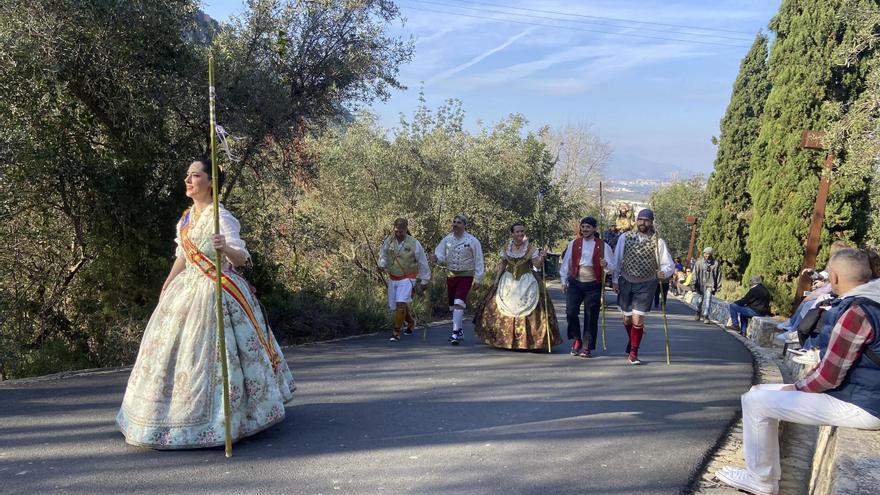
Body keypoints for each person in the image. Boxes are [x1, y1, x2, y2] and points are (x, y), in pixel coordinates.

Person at [117, 159, 296, 449]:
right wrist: (167, 282)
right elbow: (181, 255)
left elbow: (243, 258)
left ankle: (228, 419)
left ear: (211, 182)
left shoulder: (221, 217)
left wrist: (224, 246)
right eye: (186, 175)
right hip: (187, 288)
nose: (188, 180)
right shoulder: (186, 218)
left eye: (195, 175)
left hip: (218, 290)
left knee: (217, 356)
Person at [715, 248, 880, 495]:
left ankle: (760, 480)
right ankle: (765, 474)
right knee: (758, 391)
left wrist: (796, 387)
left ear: (834, 277)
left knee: (756, 401)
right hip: (862, 396)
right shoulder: (871, 302)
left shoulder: (857, 312)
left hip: (862, 405)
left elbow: (829, 376)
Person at [473, 222, 562, 350]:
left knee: (531, 308)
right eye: (517, 231)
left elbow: (537, 265)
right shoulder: (506, 247)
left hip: (527, 281)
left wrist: (542, 258)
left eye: (522, 231)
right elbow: (503, 264)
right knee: (498, 307)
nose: (520, 234)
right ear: (512, 233)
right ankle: (504, 339)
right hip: (508, 281)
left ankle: (528, 341)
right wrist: (497, 278)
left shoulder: (531, 248)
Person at [611, 208, 675, 365]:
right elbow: (617, 260)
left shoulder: (658, 242)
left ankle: (634, 352)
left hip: (646, 284)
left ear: (651, 222)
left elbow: (669, 265)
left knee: (637, 318)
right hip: (626, 281)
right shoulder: (625, 238)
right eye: (640, 220)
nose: (643, 223)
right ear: (636, 221)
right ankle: (632, 339)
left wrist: (664, 273)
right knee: (627, 320)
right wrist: (614, 280)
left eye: (646, 220)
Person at [559, 217, 616, 358]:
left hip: (593, 284)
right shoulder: (573, 243)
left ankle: (587, 347)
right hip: (575, 282)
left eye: (588, 227)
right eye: (583, 227)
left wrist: (606, 265)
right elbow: (566, 263)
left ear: (594, 229)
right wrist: (563, 280)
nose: (585, 229)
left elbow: (613, 268)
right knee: (571, 312)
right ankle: (576, 339)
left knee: (591, 316)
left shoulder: (603, 246)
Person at [432, 213, 485, 345]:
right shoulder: (447, 240)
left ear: (465, 225)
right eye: (454, 222)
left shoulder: (472, 241)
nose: (455, 224)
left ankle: (455, 333)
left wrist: (479, 279)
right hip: (451, 276)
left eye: (459, 222)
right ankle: (460, 330)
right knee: (453, 305)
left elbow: (479, 260)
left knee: (459, 302)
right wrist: (436, 258)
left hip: (466, 276)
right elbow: (441, 254)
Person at [377, 218, 431, 342]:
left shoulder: (414, 243)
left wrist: (424, 280)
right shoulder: (389, 241)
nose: (398, 233)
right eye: (396, 231)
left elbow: (422, 262)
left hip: (408, 277)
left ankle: (396, 332)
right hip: (393, 277)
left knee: (401, 302)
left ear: (406, 229)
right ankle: (411, 322)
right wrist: (381, 265)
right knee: (397, 305)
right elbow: (383, 255)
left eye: (401, 231)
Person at [693, 247, 721, 323]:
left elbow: (718, 275)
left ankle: (706, 316)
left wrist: (718, 286)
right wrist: (694, 284)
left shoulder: (715, 263)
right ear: (703, 253)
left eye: (709, 254)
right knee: (699, 301)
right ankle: (698, 312)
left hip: (710, 285)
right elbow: (694, 274)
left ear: (711, 254)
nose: (707, 255)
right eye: (705, 253)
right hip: (700, 284)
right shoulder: (699, 263)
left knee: (708, 300)